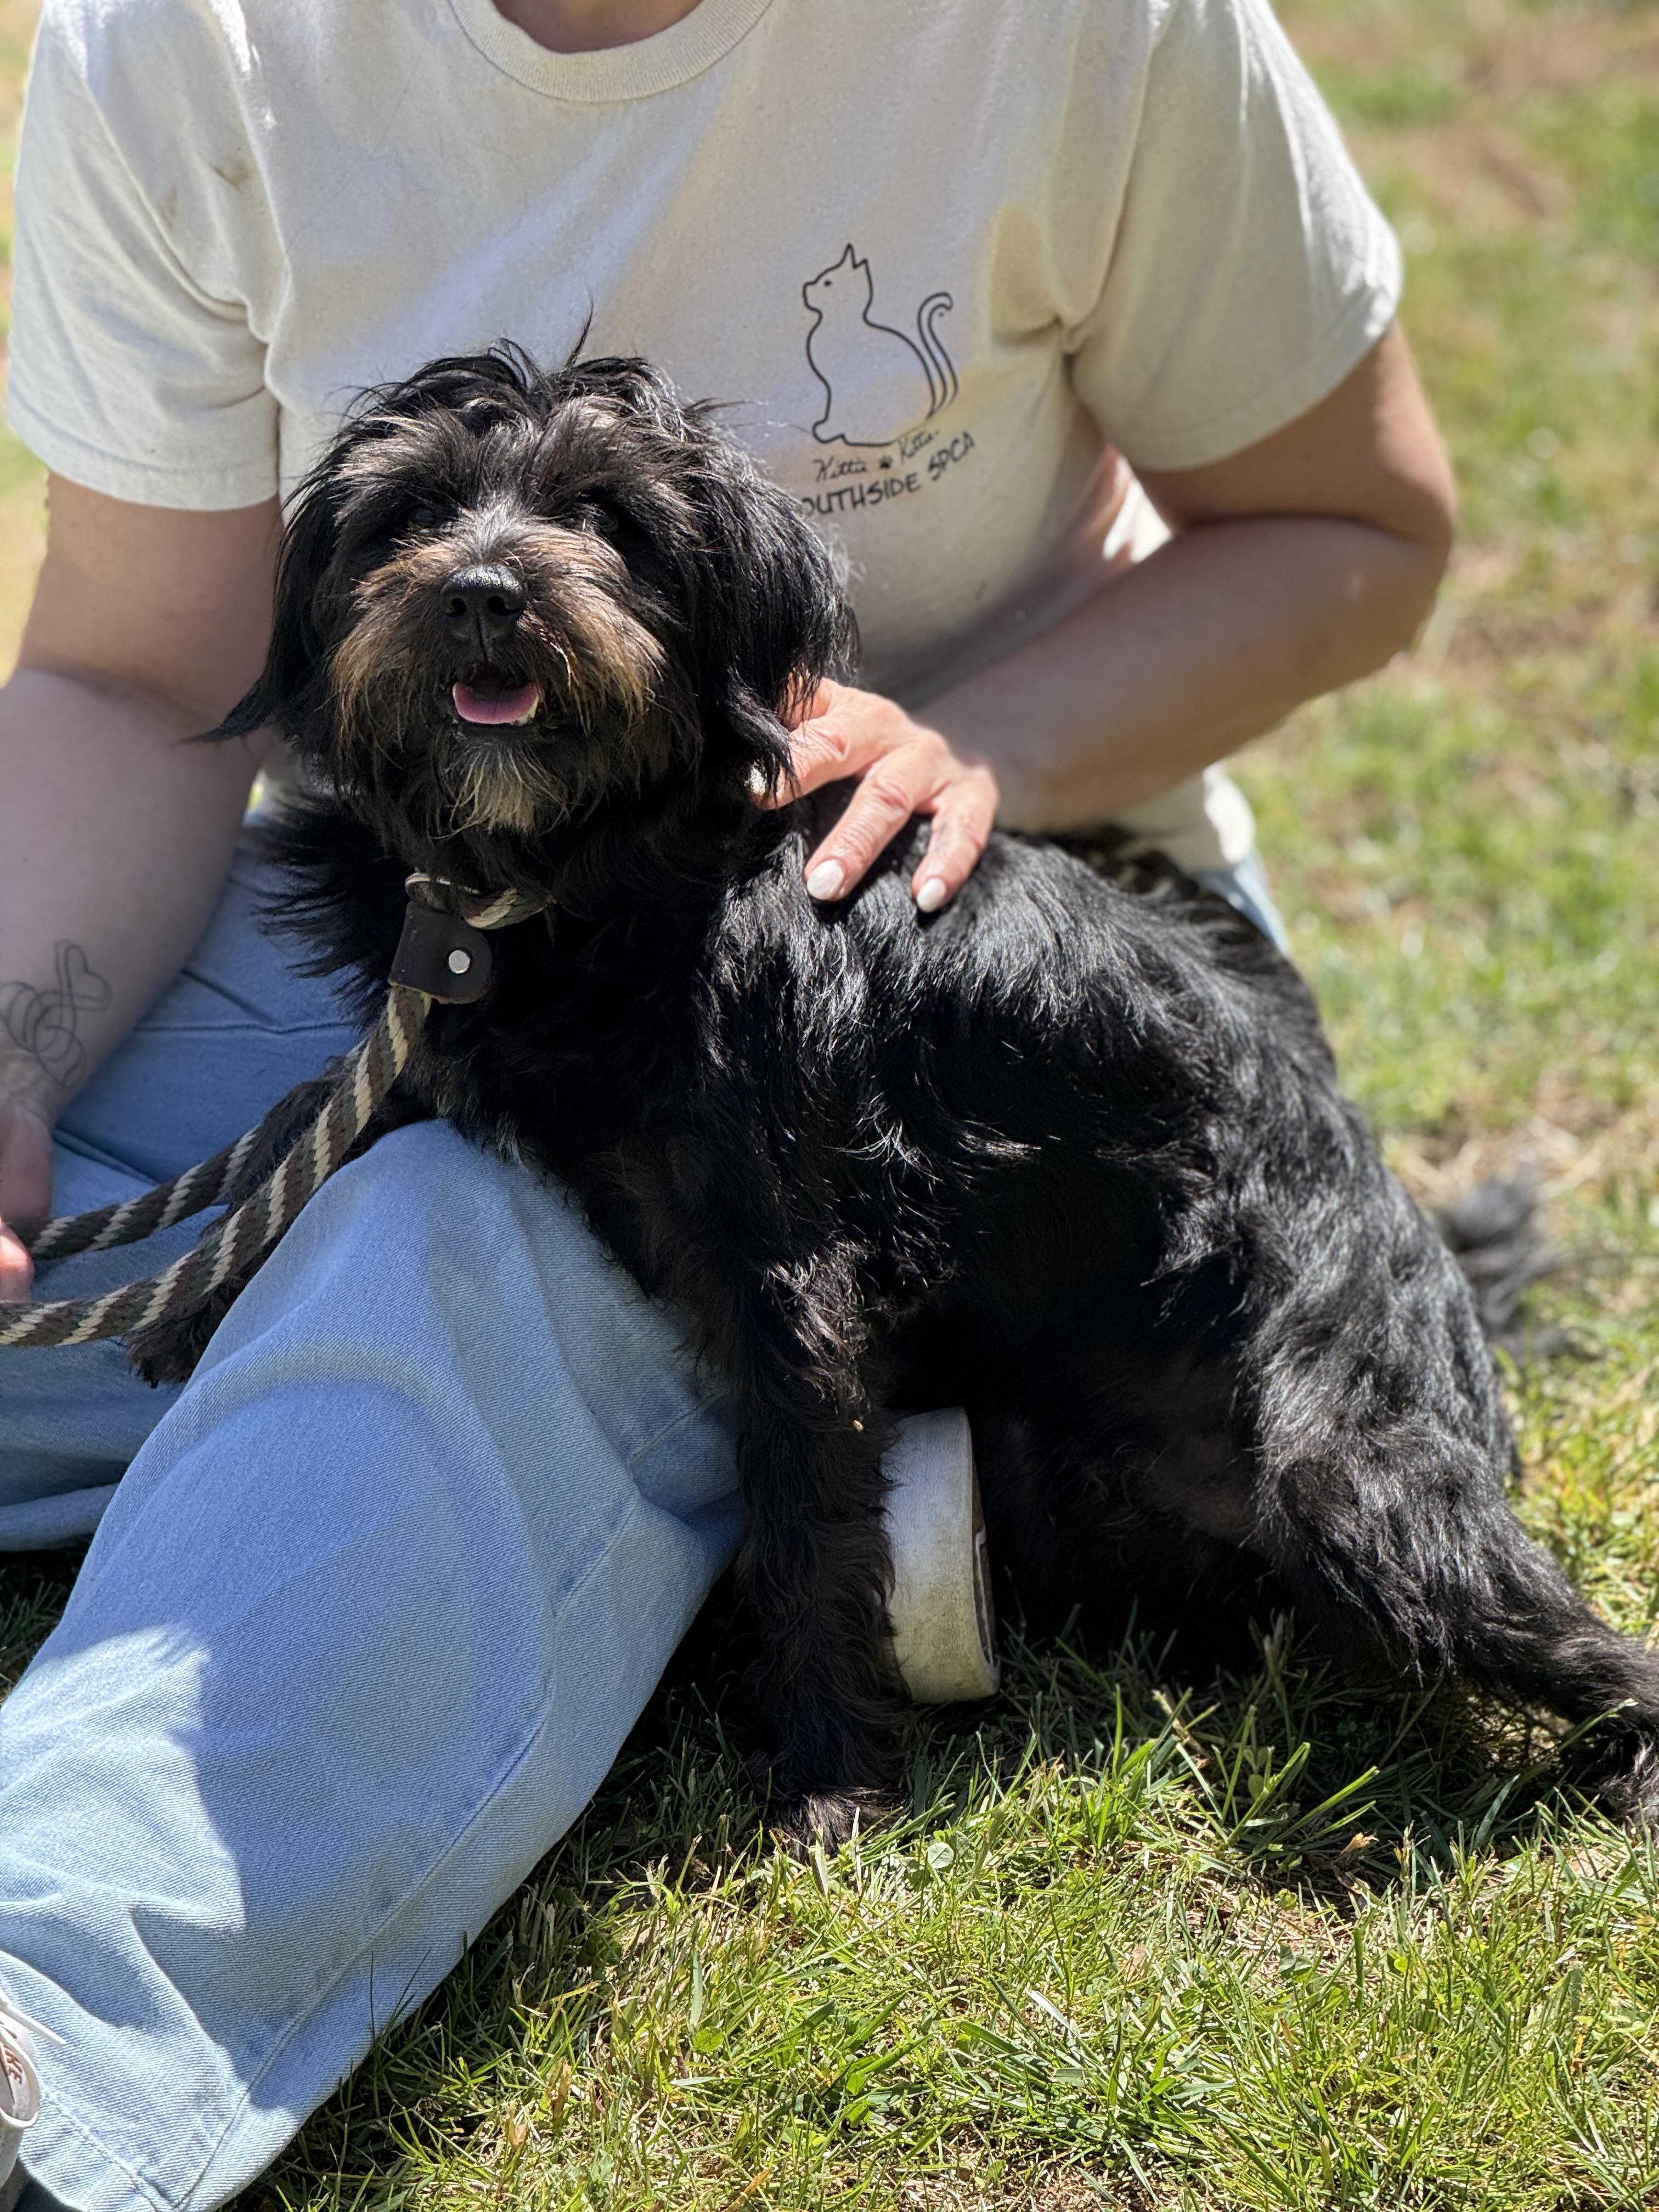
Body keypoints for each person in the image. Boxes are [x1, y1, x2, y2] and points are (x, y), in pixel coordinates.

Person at [0, 0, 1457, 2204]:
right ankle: (877, 1510)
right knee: (291, 1278)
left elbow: (1358, 525)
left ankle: (59, 2008)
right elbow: (124, 672)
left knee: (451, 1249)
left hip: (928, 943)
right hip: (398, 895)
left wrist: (982, 752)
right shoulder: (189, 38)